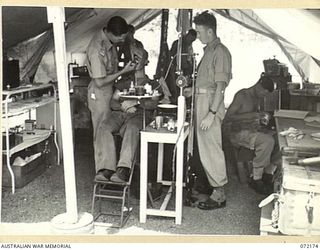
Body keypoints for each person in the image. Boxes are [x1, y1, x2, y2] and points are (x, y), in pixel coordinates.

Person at [95, 46, 161, 182]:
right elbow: (113, 103)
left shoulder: (152, 84)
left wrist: (136, 103)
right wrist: (123, 107)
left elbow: (154, 104)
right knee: (104, 127)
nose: (136, 60)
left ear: (146, 62)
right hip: (120, 114)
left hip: (139, 114)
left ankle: (123, 169)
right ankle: (107, 168)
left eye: (139, 57)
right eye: (134, 57)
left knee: (132, 128)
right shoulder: (124, 82)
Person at [187, 11, 232, 210]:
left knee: (212, 148)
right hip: (202, 100)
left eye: (199, 32)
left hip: (210, 104)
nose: (197, 36)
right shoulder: (209, 51)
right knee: (204, 148)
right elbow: (207, 81)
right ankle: (210, 186)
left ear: (210, 31)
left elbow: (221, 86)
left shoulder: (220, 52)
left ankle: (220, 194)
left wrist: (211, 113)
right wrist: (192, 90)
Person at [85, 16, 136, 180]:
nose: (122, 40)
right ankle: (103, 171)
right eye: (121, 37)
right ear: (111, 33)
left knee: (112, 129)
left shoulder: (111, 43)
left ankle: (114, 169)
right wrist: (123, 72)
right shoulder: (96, 48)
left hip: (111, 90)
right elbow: (99, 82)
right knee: (101, 131)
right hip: (99, 93)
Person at [223, 75, 277, 195]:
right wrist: (252, 115)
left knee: (278, 138)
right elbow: (228, 118)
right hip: (236, 133)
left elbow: (254, 117)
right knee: (267, 141)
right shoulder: (242, 95)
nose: (264, 96)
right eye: (264, 93)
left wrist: (261, 120)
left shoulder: (257, 97)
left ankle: (268, 173)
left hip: (251, 130)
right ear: (258, 86)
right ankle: (256, 179)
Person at [168, 29, 197, 103]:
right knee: (177, 90)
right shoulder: (178, 44)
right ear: (188, 35)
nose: (191, 42)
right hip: (177, 70)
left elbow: (190, 59)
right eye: (191, 39)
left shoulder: (189, 46)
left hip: (186, 71)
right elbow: (171, 56)